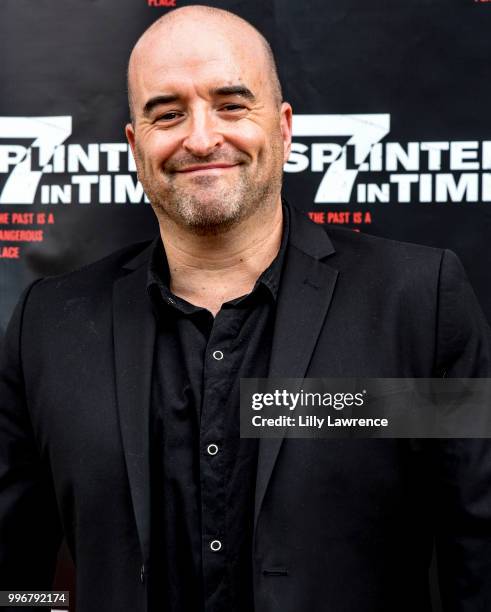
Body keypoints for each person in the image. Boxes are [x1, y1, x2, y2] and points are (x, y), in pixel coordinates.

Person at [1, 5, 491, 612]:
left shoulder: (415, 303)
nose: (202, 138)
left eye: (232, 105)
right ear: (134, 144)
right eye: (167, 113)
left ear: (284, 128)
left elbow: (478, 549)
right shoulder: (50, 326)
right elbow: (14, 572)